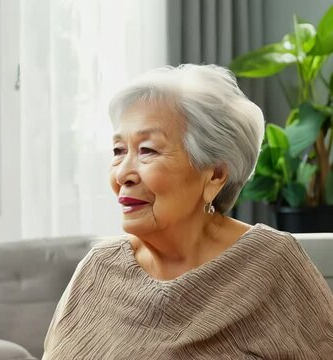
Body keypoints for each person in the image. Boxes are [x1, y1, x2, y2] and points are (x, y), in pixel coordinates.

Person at [42, 64, 333, 359]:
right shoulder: (99, 268)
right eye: (118, 151)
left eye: (147, 151)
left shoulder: (272, 262)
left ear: (216, 175)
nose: (123, 175)